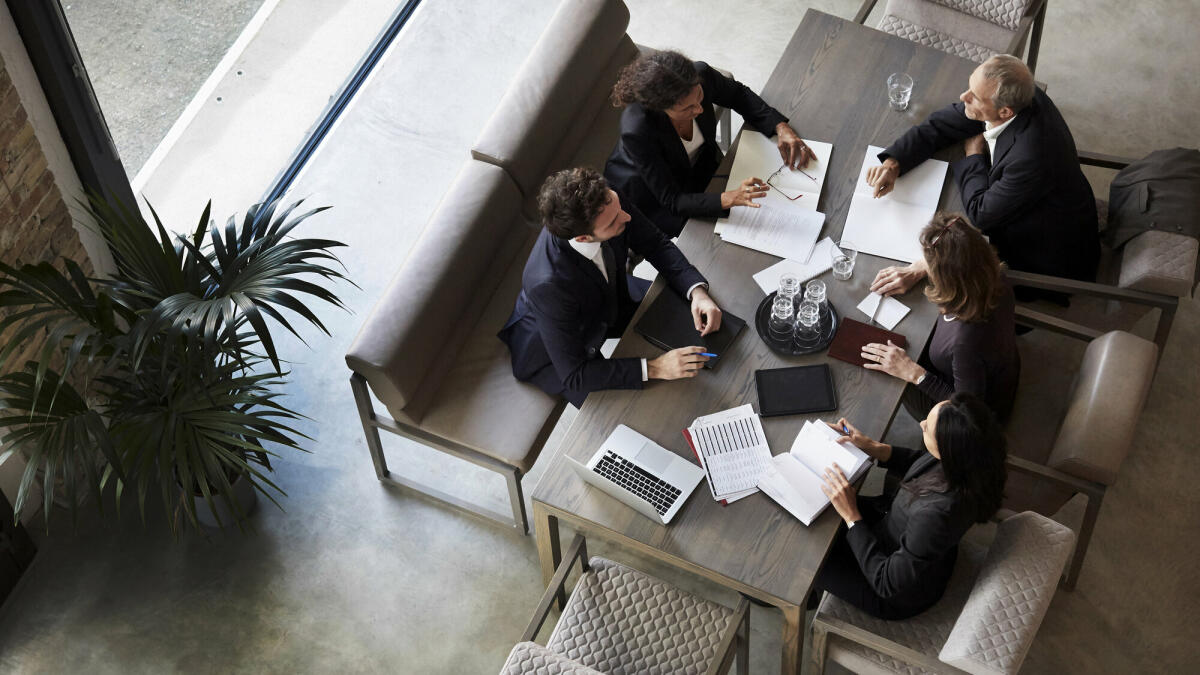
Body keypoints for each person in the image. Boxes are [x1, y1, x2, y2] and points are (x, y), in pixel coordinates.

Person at [866, 54, 1099, 295]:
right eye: (969, 86)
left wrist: (973, 156)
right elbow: (941, 125)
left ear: (1005, 112)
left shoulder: (1031, 158)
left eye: (974, 97)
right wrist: (893, 164)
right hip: (1027, 199)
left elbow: (980, 214)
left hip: (1043, 248)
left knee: (948, 288)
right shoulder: (1019, 94)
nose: (963, 97)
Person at [498, 167, 724, 407]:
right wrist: (656, 367)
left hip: (609, 296)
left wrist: (697, 292)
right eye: (614, 221)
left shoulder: (608, 203)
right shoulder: (547, 284)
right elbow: (576, 375)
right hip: (554, 350)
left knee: (692, 322)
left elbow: (655, 243)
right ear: (583, 238)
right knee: (637, 408)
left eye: (619, 208)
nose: (626, 217)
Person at [811, 393, 1008, 620]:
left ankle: (808, 598)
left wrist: (852, 517)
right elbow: (920, 461)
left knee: (807, 559)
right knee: (824, 508)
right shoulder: (973, 459)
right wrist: (872, 446)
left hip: (892, 592)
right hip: (901, 538)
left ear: (947, 449)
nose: (921, 423)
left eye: (927, 428)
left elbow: (885, 583)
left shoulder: (937, 515)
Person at [604, 50, 814, 237]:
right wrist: (727, 198)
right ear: (660, 108)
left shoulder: (700, 75)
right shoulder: (638, 130)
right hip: (654, 195)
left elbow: (737, 95)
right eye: (687, 109)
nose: (700, 110)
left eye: (700, 97)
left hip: (700, 166)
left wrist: (780, 127)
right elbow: (673, 200)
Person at [861, 213, 1020, 421]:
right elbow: (960, 253)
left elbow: (968, 411)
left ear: (949, 279)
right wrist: (918, 268)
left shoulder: (964, 343)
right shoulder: (993, 275)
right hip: (997, 367)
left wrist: (914, 373)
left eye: (931, 266)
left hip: (971, 409)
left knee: (890, 372)